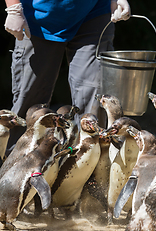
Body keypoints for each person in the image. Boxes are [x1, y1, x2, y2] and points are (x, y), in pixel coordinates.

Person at [4, 0, 131, 151]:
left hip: (92, 12)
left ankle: (89, 166)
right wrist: (13, 8)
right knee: (30, 101)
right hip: (38, 18)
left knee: (93, 99)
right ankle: (17, 163)